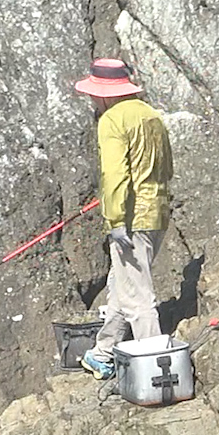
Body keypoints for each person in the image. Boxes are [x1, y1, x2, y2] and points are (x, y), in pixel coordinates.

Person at [74, 58, 172, 380]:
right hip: (157, 212)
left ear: (103, 94)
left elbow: (114, 173)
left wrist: (115, 220)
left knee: (137, 297)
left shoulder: (111, 120)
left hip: (131, 220)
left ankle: (159, 368)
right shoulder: (151, 115)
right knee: (122, 286)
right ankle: (102, 354)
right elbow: (167, 167)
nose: (92, 100)